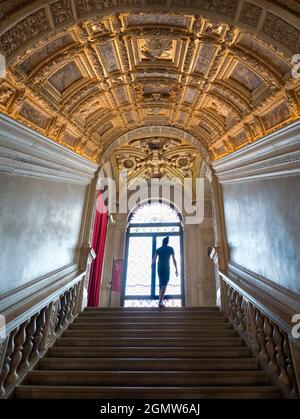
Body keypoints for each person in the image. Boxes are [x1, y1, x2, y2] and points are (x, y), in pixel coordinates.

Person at [152, 236, 178, 308]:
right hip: (166, 268)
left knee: (161, 284)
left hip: (159, 268)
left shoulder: (158, 249)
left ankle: (160, 301)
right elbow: (174, 259)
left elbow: (154, 259)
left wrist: (152, 265)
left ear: (162, 242)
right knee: (165, 283)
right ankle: (160, 301)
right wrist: (176, 269)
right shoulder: (170, 249)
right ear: (167, 242)